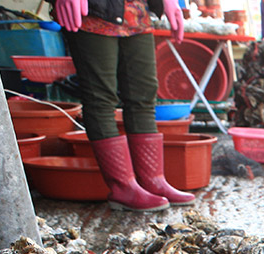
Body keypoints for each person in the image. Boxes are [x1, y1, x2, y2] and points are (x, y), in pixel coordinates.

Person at [51, 1, 192, 212]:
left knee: (143, 96)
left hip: (136, 12)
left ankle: (153, 180)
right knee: (101, 97)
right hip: (94, 12)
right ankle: (123, 187)